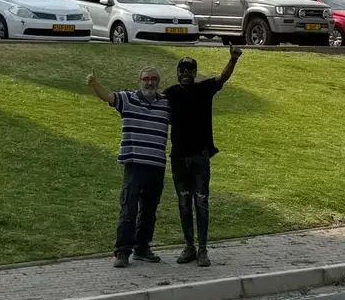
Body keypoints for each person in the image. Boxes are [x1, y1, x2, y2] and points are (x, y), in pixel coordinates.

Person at [164, 46, 242, 267]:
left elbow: (222, 77)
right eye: (182, 70)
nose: (185, 73)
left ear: (195, 73)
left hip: (199, 157)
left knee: (201, 202)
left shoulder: (204, 89)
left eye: (190, 70)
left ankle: (203, 250)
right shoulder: (170, 94)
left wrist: (233, 59)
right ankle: (189, 247)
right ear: (177, 72)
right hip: (178, 157)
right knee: (183, 203)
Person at [87, 66, 171, 268]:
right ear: (139, 81)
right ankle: (122, 252)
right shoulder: (127, 99)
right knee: (129, 209)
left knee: (149, 211)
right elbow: (107, 97)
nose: (150, 82)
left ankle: (142, 248)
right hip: (134, 165)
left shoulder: (167, 104)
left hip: (157, 165)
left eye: (153, 79)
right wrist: (95, 85)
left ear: (158, 82)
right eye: (146, 79)